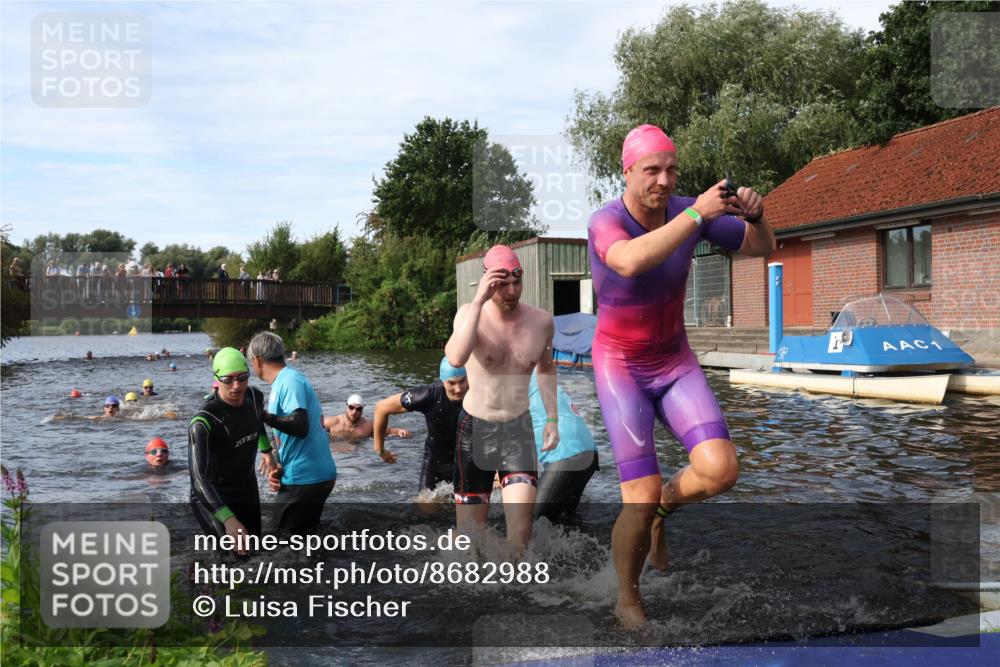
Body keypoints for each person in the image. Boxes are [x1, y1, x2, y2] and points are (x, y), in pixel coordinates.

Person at [588, 124, 776, 627]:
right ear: (627, 172)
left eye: (672, 170)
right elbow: (628, 261)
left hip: (674, 361)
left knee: (721, 470)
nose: (664, 180)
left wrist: (756, 216)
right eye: (652, 170)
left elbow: (760, 248)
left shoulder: (688, 209)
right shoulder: (606, 220)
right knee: (638, 496)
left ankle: (662, 517)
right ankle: (627, 596)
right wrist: (696, 215)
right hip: (621, 366)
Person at [444, 244, 559, 553]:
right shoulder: (469, 314)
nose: (511, 290)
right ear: (486, 280)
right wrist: (479, 299)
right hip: (475, 431)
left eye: (516, 281)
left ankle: (513, 593)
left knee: (521, 535)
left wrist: (552, 418)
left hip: (518, 430)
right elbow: (455, 357)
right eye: (502, 282)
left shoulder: (542, 322)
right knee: (469, 539)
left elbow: (547, 370)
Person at [188, 348, 276, 554]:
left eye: (242, 378)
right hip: (213, 497)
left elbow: (257, 421)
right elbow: (199, 481)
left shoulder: (254, 396)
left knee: (254, 553)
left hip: (246, 487)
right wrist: (228, 519)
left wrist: (266, 451)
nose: (236, 386)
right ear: (216, 379)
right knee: (229, 559)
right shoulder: (203, 422)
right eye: (228, 380)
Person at [248, 331, 336, 534]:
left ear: (258, 360)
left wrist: (264, 417)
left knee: (279, 542)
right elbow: (291, 435)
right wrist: (278, 464)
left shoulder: (288, 381)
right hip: (310, 474)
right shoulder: (285, 381)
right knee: (304, 541)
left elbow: (300, 425)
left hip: (306, 476)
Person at [373, 358, 468, 492]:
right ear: (442, 380)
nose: (458, 389)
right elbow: (381, 407)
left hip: (470, 460)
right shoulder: (429, 395)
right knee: (425, 508)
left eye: (462, 381)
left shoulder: (480, 393)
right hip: (436, 462)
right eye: (451, 383)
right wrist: (380, 449)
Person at [527, 371, 599, 523]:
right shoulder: (533, 371)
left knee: (532, 524)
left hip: (566, 455)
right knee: (565, 525)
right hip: (587, 452)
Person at [324, 395, 411, 441]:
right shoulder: (331, 422)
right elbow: (314, 429)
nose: (354, 411)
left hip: (358, 455)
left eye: (358, 409)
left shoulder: (368, 425)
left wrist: (399, 431)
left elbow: (387, 431)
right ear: (346, 407)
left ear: (362, 411)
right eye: (351, 407)